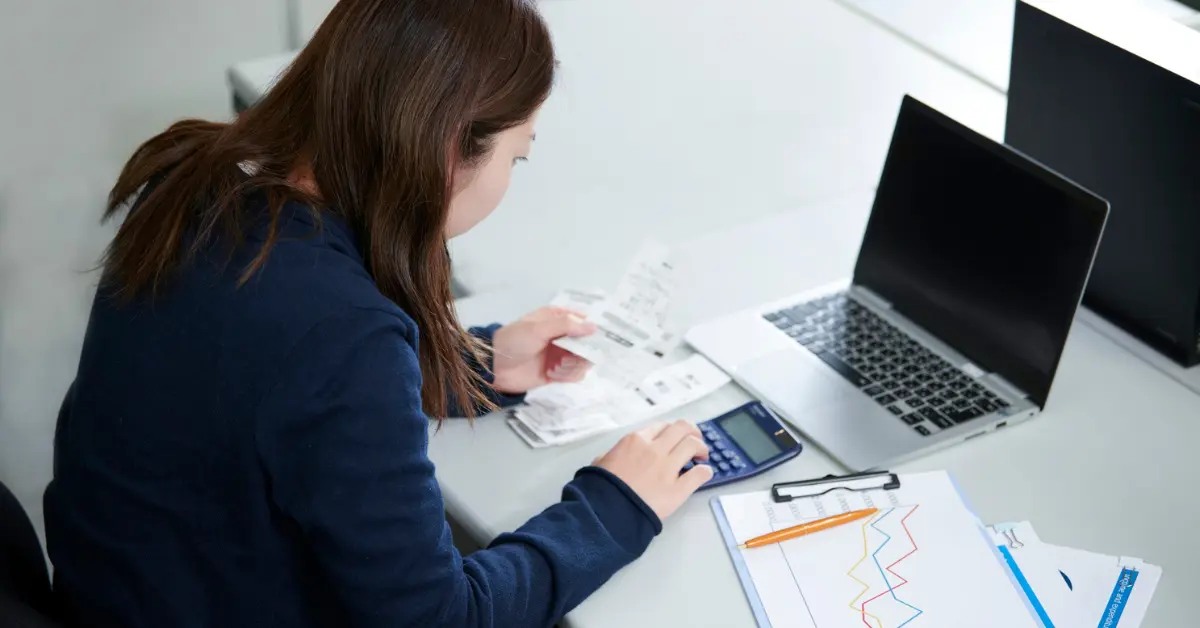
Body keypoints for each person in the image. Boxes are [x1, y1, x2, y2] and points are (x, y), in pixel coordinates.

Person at [41, 1, 715, 627]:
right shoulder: (342, 333)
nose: (513, 176)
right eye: (519, 154)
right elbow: (440, 617)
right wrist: (616, 507)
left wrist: (478, 365)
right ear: (454, 148)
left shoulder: (196, 182)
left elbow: (272, 396)